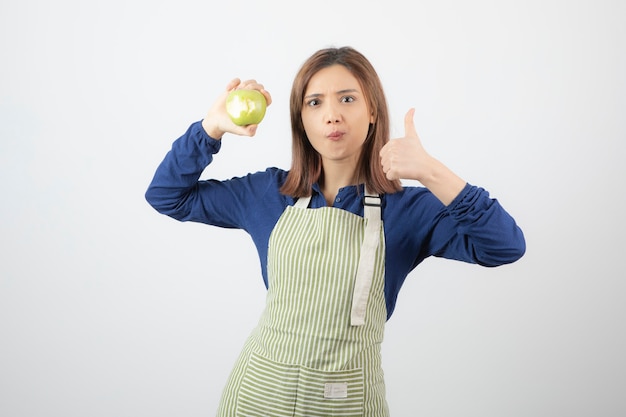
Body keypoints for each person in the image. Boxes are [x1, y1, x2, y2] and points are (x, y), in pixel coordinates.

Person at [145, 46, 525, 417]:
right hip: (258, 396)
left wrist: (430, 171)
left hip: (347, 402)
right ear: (301, 121)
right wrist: (210, 129)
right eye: (315, 103)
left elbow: (505, 246)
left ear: (372, 110)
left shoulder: (410, 210)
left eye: (347, 99)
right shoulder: (268, 194)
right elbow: (167, 196)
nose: (331, 116)